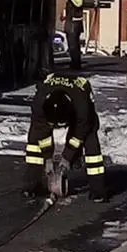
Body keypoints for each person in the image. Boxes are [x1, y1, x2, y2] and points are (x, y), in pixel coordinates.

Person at [23, 69, 107, 202]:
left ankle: (98, 190)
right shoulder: (39, 103)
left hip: (80, 101)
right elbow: (41, 132)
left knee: (91, 145)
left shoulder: (82, 107)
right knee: (34, 142)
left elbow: (79, 133)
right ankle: (32, 186)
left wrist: (67, 157)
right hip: (54, 94)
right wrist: (47, 158)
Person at [61, 0, 84, 69]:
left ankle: (76, 63)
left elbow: (78, 5)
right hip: (69, 26)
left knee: (74, 45)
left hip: (75, 25)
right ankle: (73, 61)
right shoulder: (68, 2)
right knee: (71, 46)